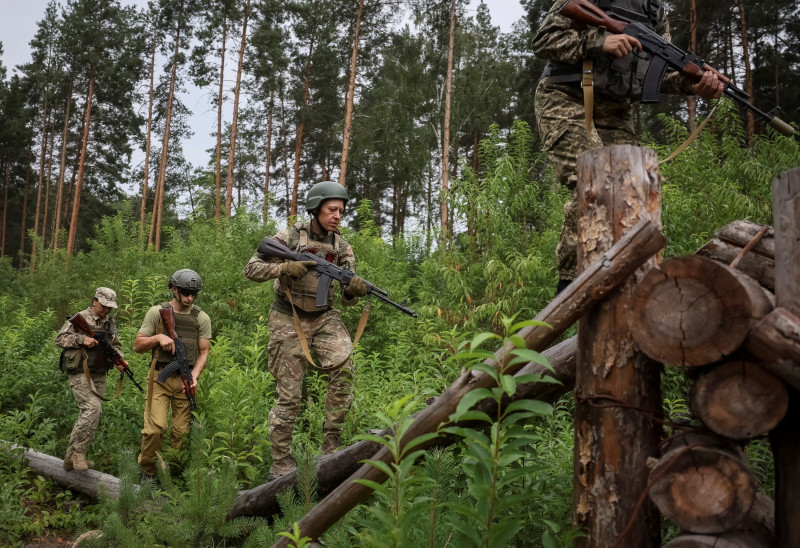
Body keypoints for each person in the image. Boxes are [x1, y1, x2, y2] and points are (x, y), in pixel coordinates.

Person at [533, 0, 724, 294]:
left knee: (638, 190)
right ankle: (569, 289)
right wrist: (600, 41)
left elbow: (657, 74)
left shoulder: (653, 10)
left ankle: (633, 284)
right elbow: (544, 39)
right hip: (566, 97)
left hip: (615, 112)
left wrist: (694, 85)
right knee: (595, 183)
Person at [244, 181, 369, 480]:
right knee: (290, 395)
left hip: (324, 316)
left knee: (344, 369)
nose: (338, 215)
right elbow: (251, 269)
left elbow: (346, 300)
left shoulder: (342, 246)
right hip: (288, 316)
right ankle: (281, 463)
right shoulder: (289, 237)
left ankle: (331, 445)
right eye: (332, 209)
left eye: (341, 210)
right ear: (316, 208)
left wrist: (353, 291)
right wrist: (283, 269)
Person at [134, 269, 211, 481]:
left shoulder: (201, 318)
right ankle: (149, 472)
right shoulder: (156, 312)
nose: (190, 298)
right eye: (186, 292)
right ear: (174, 289)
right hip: (160, 377)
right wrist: (158, 338)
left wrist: (194, 375)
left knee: (182, 433)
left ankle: (175, 475)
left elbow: (204, 352)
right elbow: (138, 345)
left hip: (186, 381)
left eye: (193, 294)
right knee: (155, 429)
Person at [56, 287, 122, 471]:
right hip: (79, 370)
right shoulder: (80, 318)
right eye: (104, 306)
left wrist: (119, 359)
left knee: (90, 413)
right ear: (95, 301)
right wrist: (80, 339)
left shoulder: (110, 323)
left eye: (110, 307)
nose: (107, 310)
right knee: (92, 409)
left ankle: (69, 458)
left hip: (99, 373)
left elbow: (116, 345)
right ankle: (79, 454)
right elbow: (60, 339)